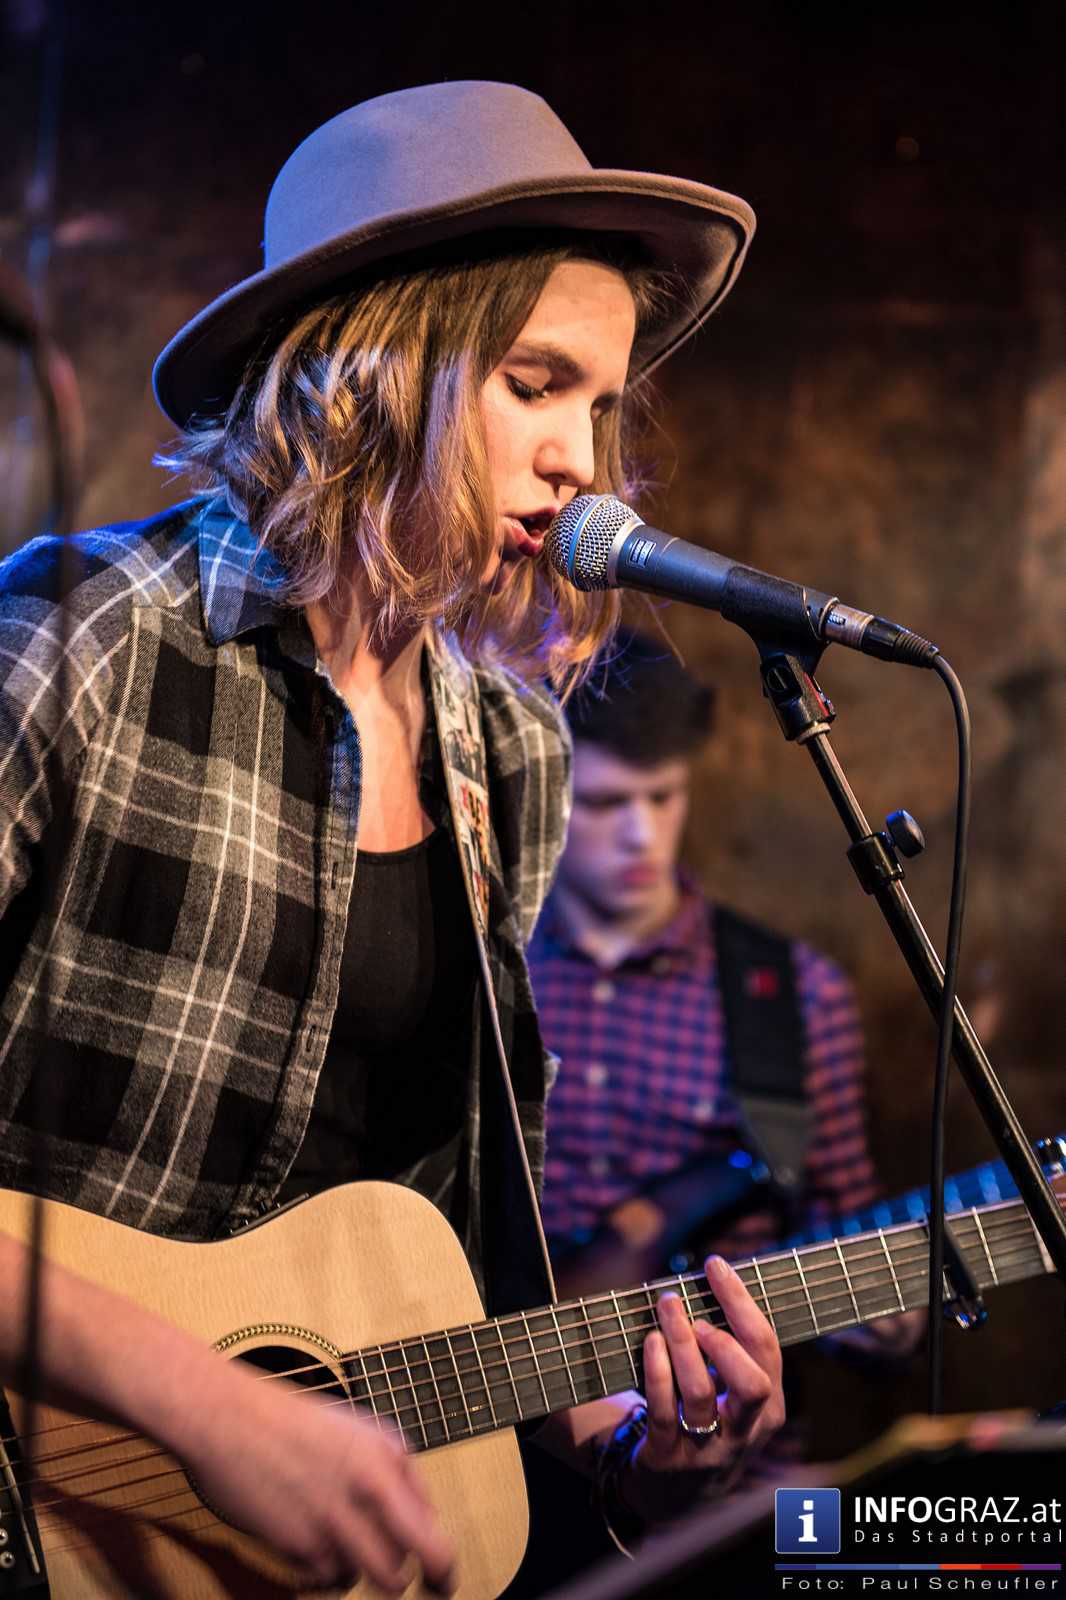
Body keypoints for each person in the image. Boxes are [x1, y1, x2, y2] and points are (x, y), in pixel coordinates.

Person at [0, 82, 784, 1594]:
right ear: (376, 367)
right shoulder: (79, 645)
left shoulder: (512, 756)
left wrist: (622, 1428)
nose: (581, 463)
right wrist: (199, 1403)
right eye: (535, 381)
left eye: (601, 407)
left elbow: (416, 1289)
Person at [526, 629, 926, 1440]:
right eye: (605, 804)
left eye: (662, 798)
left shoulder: (794, 995)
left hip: (727, 1449)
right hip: (505, 1438)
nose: (641, 835)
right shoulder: (489, 971)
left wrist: (889, 1306)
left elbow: (844, 1223)